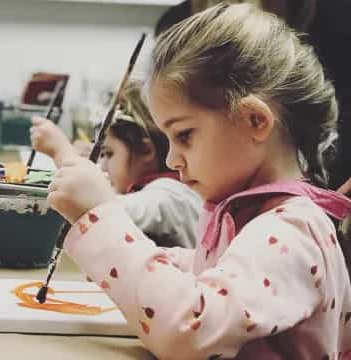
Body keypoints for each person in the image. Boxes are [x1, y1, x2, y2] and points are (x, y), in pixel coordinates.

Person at [44, 4, 351, 359]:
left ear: (254, 121)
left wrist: (102, 221)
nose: (172, 159)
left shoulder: (291, 231)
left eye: (185, 135)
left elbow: (190, 331)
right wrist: (141, 263)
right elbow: (217, 274)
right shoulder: (252, 215)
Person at [31, 81, 201, 248]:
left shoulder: (171, 196)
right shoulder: (154, 191)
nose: (103, 166)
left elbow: (103, 211)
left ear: (146, 150)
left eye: (109, 154)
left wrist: (62, 153)